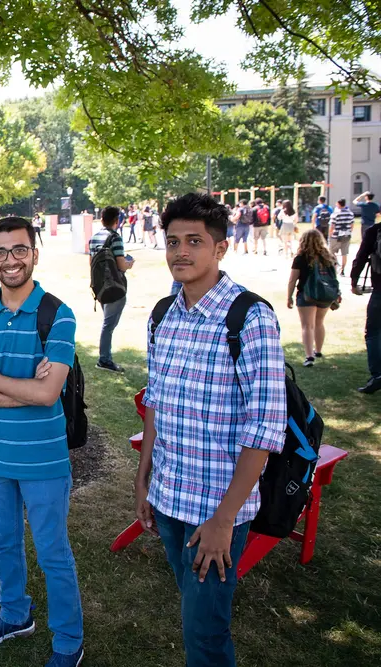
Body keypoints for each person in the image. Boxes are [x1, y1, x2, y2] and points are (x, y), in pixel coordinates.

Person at [137, 192, 286, 667]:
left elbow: (264, 428)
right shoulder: (163, 315)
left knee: (205, 632)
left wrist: (224, 520)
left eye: (195, 241)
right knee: (194, 608)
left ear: (220, 248)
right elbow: (156, 401)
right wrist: (144, 480)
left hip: (217, 510)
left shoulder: (250, 318)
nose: (181, 251)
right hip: (168, 497)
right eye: (173, 241)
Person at [0, 216, 85, 667]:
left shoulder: (58, 314)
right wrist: (16, 385)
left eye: (19, 250)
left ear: (35, 251)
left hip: (44, 460)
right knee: (4, 543)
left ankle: (69, 641)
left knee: (53, 553)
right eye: (0, 252)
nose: (10, 260)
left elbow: (48, 394)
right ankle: (15, 615)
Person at [90, 206, 134, 372]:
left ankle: (105, 357)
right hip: (115, 286)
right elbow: (121, 264)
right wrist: (129, 264)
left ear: (102, 219)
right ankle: (104, 359)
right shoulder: (115, 238)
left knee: (107, 323)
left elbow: (91, 263)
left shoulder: (94, 237)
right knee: (108, 325)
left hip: (100, 286)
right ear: (117, 220)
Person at [288, 230, 339, 367]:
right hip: (325, 295)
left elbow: (293, 280)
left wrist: (289, 297)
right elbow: (334, 278)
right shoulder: (328, 257)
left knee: (307, 326)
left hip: (306, 295)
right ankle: (318, 351)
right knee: (319, 322)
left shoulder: (301, 258)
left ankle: (309, 356)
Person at [351, 221, 381, 392]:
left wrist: (354, 281)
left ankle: (377, 375)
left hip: (379, 291)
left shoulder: (374, 231)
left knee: (373, 333)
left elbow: (361, 257)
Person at [329, 198, 355, 277]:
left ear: (338, 204)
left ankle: (335, 265)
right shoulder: (350, 213)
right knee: (344, 253)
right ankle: (343, 270)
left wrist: (330, 234)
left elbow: (332, 226)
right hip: (346, 235)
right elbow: (352, 225)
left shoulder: (335, 214)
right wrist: (350, 231)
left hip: (336, 236)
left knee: (332, 252)